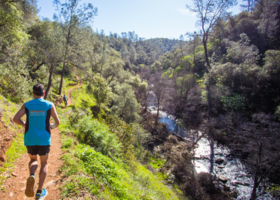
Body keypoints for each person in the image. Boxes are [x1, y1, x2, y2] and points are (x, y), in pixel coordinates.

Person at [13, 84, 60, 200]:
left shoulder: (28, 105)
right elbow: (57, 122)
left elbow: (15, 119)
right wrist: (52, 126)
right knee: (44, 163)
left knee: (33, 160)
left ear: (33, 93)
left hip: (30, 138)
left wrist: (23, 123)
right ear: (44, 93)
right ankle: (39, 192)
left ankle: (32, 175)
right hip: (44, 139)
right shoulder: (49, 105)